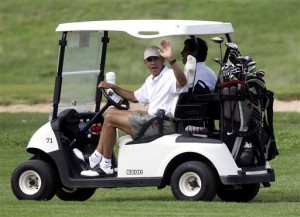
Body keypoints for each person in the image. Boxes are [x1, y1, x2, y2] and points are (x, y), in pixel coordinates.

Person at [73, 39, 187, 177]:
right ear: (145, 63)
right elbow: (134, 97)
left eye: (156, 59)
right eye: (149, 60)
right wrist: (113, 87)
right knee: (112, 112)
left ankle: (103, 163)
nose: (153, 63)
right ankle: (97, 159)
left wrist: (172, 59)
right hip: (154, 121)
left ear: (162, 60)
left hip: (162, 125)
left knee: (110, 117)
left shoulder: (169, 75)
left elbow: (182, 81)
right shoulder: (151, 80)